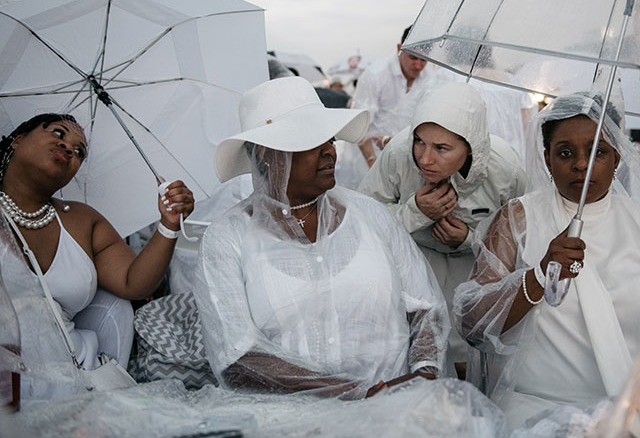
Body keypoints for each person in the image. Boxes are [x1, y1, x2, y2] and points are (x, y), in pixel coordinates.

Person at [194, 76, 451, 399]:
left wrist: (422, 377)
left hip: (398, 413)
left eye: (329, 140)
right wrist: (355, 393)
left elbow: (426, 309)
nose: (330, 152)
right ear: (267, 154)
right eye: (313, 142)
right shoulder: (226, 241)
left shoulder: (370, 216)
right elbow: (237, 358)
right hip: (289, 425)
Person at [453, 92, 640, 430]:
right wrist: (539, 275)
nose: (581, 164)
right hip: (536, 413)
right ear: (547, 159)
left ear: (617, 158)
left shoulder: (637, 222)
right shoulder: (517, 219)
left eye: (597, 151)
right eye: (565, 153)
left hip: (626, 413)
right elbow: (472, 323)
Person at [0, 113, 194, 401]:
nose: (69, 148)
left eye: (79, 152)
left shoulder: (82, 220)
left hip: (76, 379)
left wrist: (168, 224)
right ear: (17, 141)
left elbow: (134, 283)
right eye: (58, 133)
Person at [358, 82, 526, 378]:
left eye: (442, 148)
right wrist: (414, 212)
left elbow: (523, 240)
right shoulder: (398, 154)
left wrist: (470, 240)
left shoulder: (504, 169)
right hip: (412, 271)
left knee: (471, 366)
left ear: (471, 145)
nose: (425, 158)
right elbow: (362, 220)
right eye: (420, 141)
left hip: (475, 278)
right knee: (417, 362)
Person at [352, 26, 437, 169]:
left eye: (423, 60)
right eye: (413, 57)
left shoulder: (430, 77)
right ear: (400, 48)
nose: (418, 65)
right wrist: (372, 162)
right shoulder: (376, 75)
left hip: (408, 159)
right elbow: (359, 126)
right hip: (370, 156)